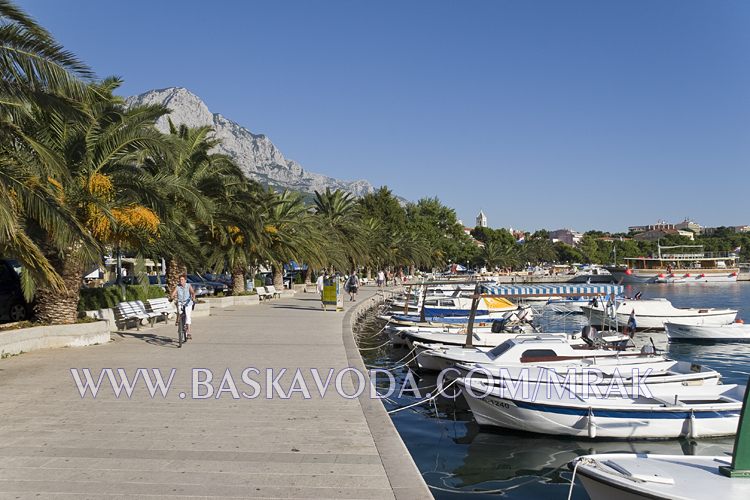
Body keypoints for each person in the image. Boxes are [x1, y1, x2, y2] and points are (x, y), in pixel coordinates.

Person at [170, 274, 196, 339]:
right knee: (179, 311)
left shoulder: (188, 285)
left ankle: (188, 332)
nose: (181, 281)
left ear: (185, 280)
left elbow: (192, 292)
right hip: (180, 302)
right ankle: (178, 320)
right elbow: (173, 293)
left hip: (188, 303)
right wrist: (171, 297)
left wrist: (193, 298)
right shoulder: (178, 287)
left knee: (188, 316)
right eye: (180, 280)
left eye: (182, 280)